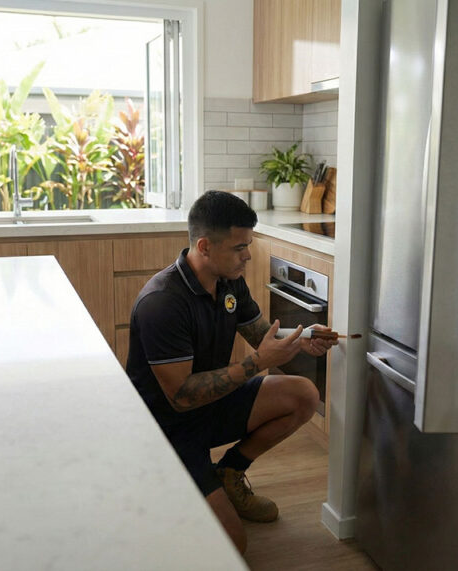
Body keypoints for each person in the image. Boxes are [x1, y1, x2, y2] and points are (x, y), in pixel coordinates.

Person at [125, 190, 337, 554]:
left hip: (213, 404)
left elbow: (259, 334)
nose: (248, 256)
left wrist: (300, 339)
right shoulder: (162, 303)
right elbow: (182, 396)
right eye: (240, 247)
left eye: (249, 245)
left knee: (303, 393)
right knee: (231, 546)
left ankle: (230, 472)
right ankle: (181, 483)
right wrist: (259, 362)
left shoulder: (229, 282)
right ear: (205, 246)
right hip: (169, 429)